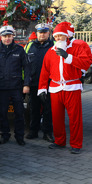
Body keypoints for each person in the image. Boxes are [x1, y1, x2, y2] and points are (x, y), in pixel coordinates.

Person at [38, 22, 92, 154]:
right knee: (56, 118)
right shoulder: (50, 52)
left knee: (75, 118)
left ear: (67, 36)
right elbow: (44, 71)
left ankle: (76, 144)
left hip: (72, 87)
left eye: (61, 36)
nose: (58, 39)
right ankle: (59, 141)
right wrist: (42, 88)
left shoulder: (77, 47)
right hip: (55, 87)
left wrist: (68, 56)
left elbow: (85, 63)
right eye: (56, 36)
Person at [0, 25, 30, 146]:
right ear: (0, 37)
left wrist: (26, 84)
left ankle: (19, 136)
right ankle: (5, 134)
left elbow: (27, 68)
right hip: (2, 87)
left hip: (17, 87)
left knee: (19, 112)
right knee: (2, 112)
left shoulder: (19, 50)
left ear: (13, 36)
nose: (7, 38)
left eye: (9, 36)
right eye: (4, 36)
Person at [25, 23, 54, 142]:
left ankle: (47, 133)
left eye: (44, 32)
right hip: (34, 83)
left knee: (48, 109)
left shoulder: (54, 46)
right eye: (40, 32)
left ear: (49, 33)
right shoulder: (29, 46)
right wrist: (25, 82)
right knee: (34, 108)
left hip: (49, 84)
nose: (42, 34)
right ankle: (33, 131)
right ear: (37, 33)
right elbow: (25, 66)